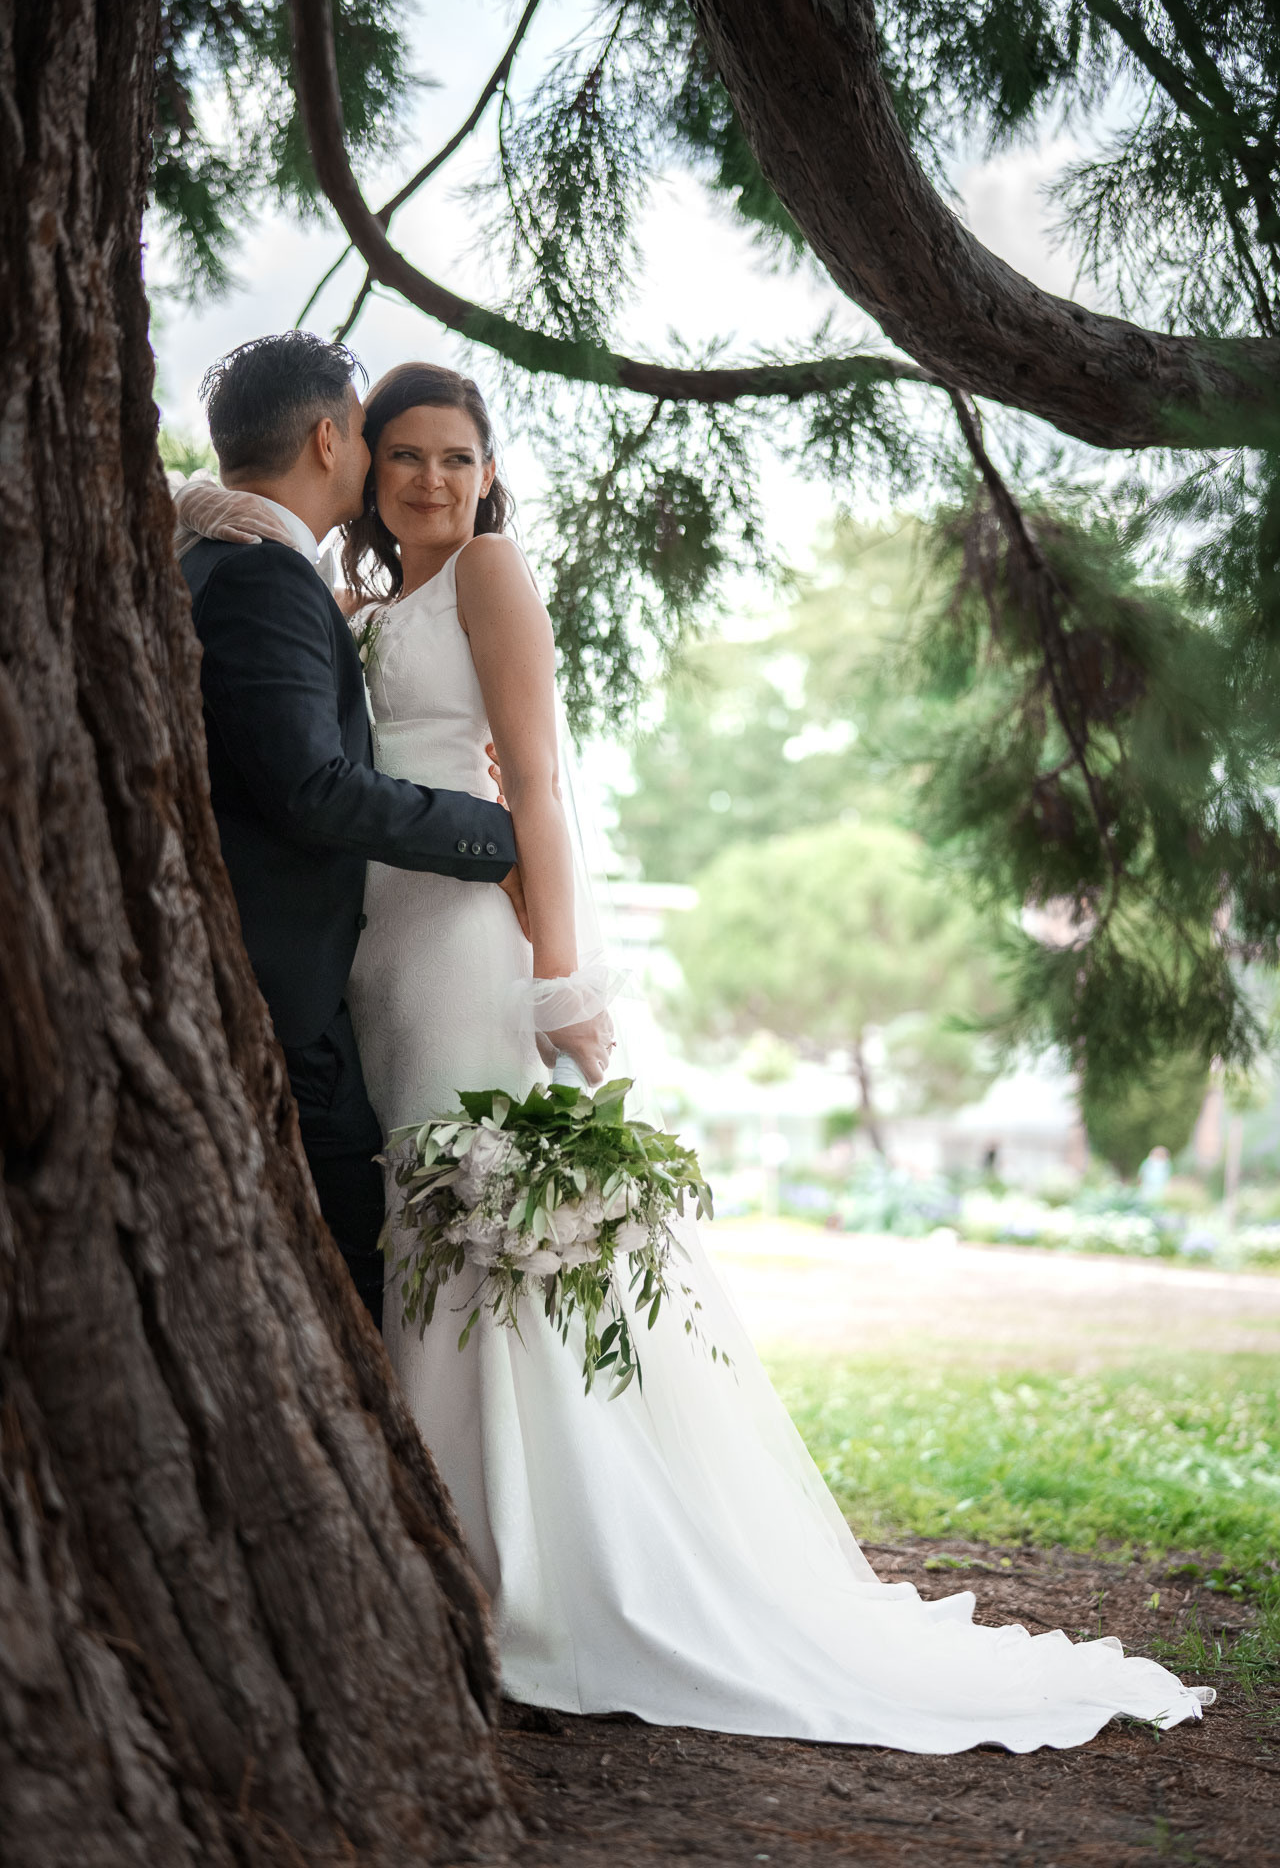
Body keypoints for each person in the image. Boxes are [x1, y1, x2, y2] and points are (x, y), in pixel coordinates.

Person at [175, 359, 1211, 1755]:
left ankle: (548, 1567)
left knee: (484, 1216)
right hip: (377, 941)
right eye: (403, 453)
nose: (428, 479)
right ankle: (455, 1529)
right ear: (352, 459)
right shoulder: (346, 602)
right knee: (421, 1219)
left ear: (490, 474)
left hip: (467, 933)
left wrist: (560, 977)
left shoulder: (491, 574)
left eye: (458, 457)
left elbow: (537, 785)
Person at [179, 334, 527, 1326]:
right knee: (359, 1257)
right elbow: (312, 786)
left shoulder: (241, 561)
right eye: (388, 445)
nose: (405, 470)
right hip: (298, 974)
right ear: (332, 442)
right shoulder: (269, 577)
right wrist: (493, 836)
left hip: (382, 950)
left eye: (455, 457)